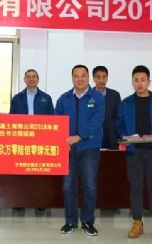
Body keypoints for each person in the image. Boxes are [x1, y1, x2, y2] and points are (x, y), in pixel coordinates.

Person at [116, 65, 152, 240]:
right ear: (132, 82)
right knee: (136, 188)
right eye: (136, 80)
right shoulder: (126, 102)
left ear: (148, 82)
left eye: (142, 80)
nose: (139, 83)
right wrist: (125, 137)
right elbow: (119, 124)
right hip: (134, 151)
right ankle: (137, 222)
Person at [54, 65, 104, 236]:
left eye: (83, 75)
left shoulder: (97, 97)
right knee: (68, 186)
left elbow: (97, 121)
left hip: (89, 148)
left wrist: (79, 136)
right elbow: (57, 121)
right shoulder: (64, 98)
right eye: (76, 76)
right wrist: (64, 139)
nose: (80, 79)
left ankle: (88, 222)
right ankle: (70, 221)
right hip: (68, 149)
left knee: (90, 186)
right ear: (72, 78)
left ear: (88, 77)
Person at [92, 66, 121, 149]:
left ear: (107, 78)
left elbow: (119, 117)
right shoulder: (88, 95)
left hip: (112, 138)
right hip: (93, 138)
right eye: (98, 77)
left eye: (104, 77)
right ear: (94, 79)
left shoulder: (115, 95)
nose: (101, 80)